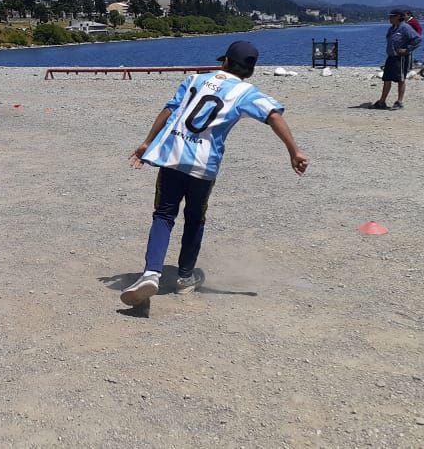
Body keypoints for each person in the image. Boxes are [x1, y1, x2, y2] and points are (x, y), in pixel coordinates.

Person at [120, 41, 309, 308]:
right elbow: (274, 115)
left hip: (172, 157)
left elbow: (170, 109)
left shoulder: (195, 80)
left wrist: (147, 142)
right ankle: (185, 278)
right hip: (203, 166)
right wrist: (294, 151)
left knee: (164, 214)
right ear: (250, 71)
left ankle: (151, 273)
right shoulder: (246, 92)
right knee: (195, 219)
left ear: (224, 62)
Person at [373, 10, 422, 110]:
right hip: (391, 57)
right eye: (389, 16)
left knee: (400, 79)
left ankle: (399, 102)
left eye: (392, 16)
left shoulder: (405, 27)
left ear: (398, 17)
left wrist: (407, 49)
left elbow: (417, 39)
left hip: (401, 58)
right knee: (386, 79)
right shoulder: (391, 29)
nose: (389, 19)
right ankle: (382, 102)